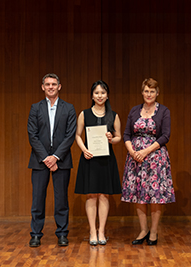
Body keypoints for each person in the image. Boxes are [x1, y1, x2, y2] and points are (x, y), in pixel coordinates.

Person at [121, 78, 175, 246]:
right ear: (142, 92)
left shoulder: (164, 111)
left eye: (152, 91)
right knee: (139, 195)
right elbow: (126, 135)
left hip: (155, 159)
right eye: (146, 91)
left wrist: (145, 151)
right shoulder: (134, 110)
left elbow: (165, 135)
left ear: (157, 93)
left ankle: (153, 231)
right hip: (135, 158)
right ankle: (143, 229)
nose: (149, 94)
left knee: (155, 196)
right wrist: (133, 152)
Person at [27, 73, 77, 247]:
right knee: (38, 199)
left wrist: (55, 157)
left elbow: (70, 135)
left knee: (61, 199)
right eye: (47, 84)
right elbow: (32, 136)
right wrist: (46, 158)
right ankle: (35, 235)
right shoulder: (35, 108)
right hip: (39, 161)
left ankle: (62, 233)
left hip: (61, 161)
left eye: (53, 84)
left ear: (59, 86)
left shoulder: (69, 108)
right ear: (42, 87)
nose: (50, 87)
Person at [75, 80, 121, 246]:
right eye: (96, 93)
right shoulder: (84, 114)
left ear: (107, 95)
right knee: (91, 195)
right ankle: (92, 232)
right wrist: (84, 149)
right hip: (89, 158)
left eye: (103, 93)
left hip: (106, 159)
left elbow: (119, 137)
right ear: (92, 95)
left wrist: (112, 139)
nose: (100, 96)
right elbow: (78, 135)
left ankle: (101, 231)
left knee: (104, 195)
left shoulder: (113, 115)